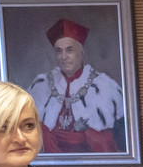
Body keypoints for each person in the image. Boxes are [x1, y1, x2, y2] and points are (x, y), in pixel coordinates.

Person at [26, 18, 126, 155]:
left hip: (90, 158)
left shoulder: (103, 85)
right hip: (52, 158)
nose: (63, 57)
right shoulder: (42, 84)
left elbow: (115, 139)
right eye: (58, 51)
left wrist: (87, 133)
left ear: (81, 52)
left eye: (69, 50)